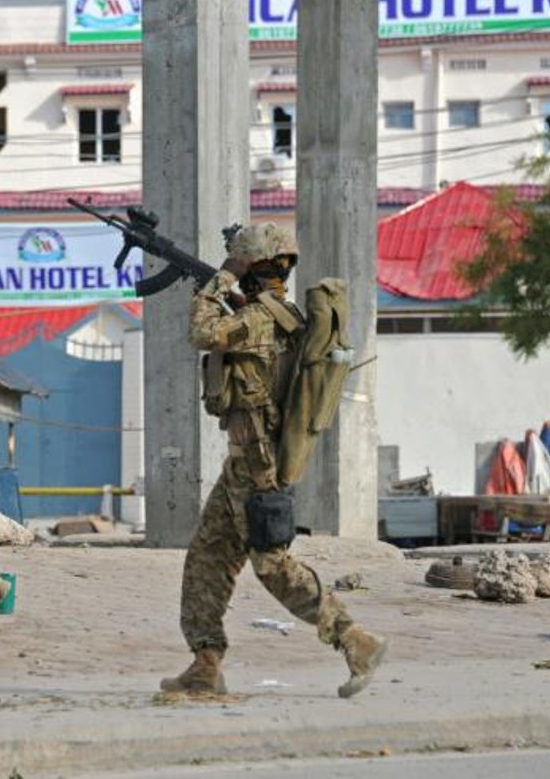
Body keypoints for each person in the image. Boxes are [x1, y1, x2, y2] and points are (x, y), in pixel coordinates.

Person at [161, 223, 386, 699]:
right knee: (207, 558)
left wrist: (221, 278)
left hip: (258, 465)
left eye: (242, 262)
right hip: (243, 463)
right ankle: (205, 663)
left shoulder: (260, 320)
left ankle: (352, 638)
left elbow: (202, 332)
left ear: (252, 265)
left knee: (272, 566)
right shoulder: (276, 315)